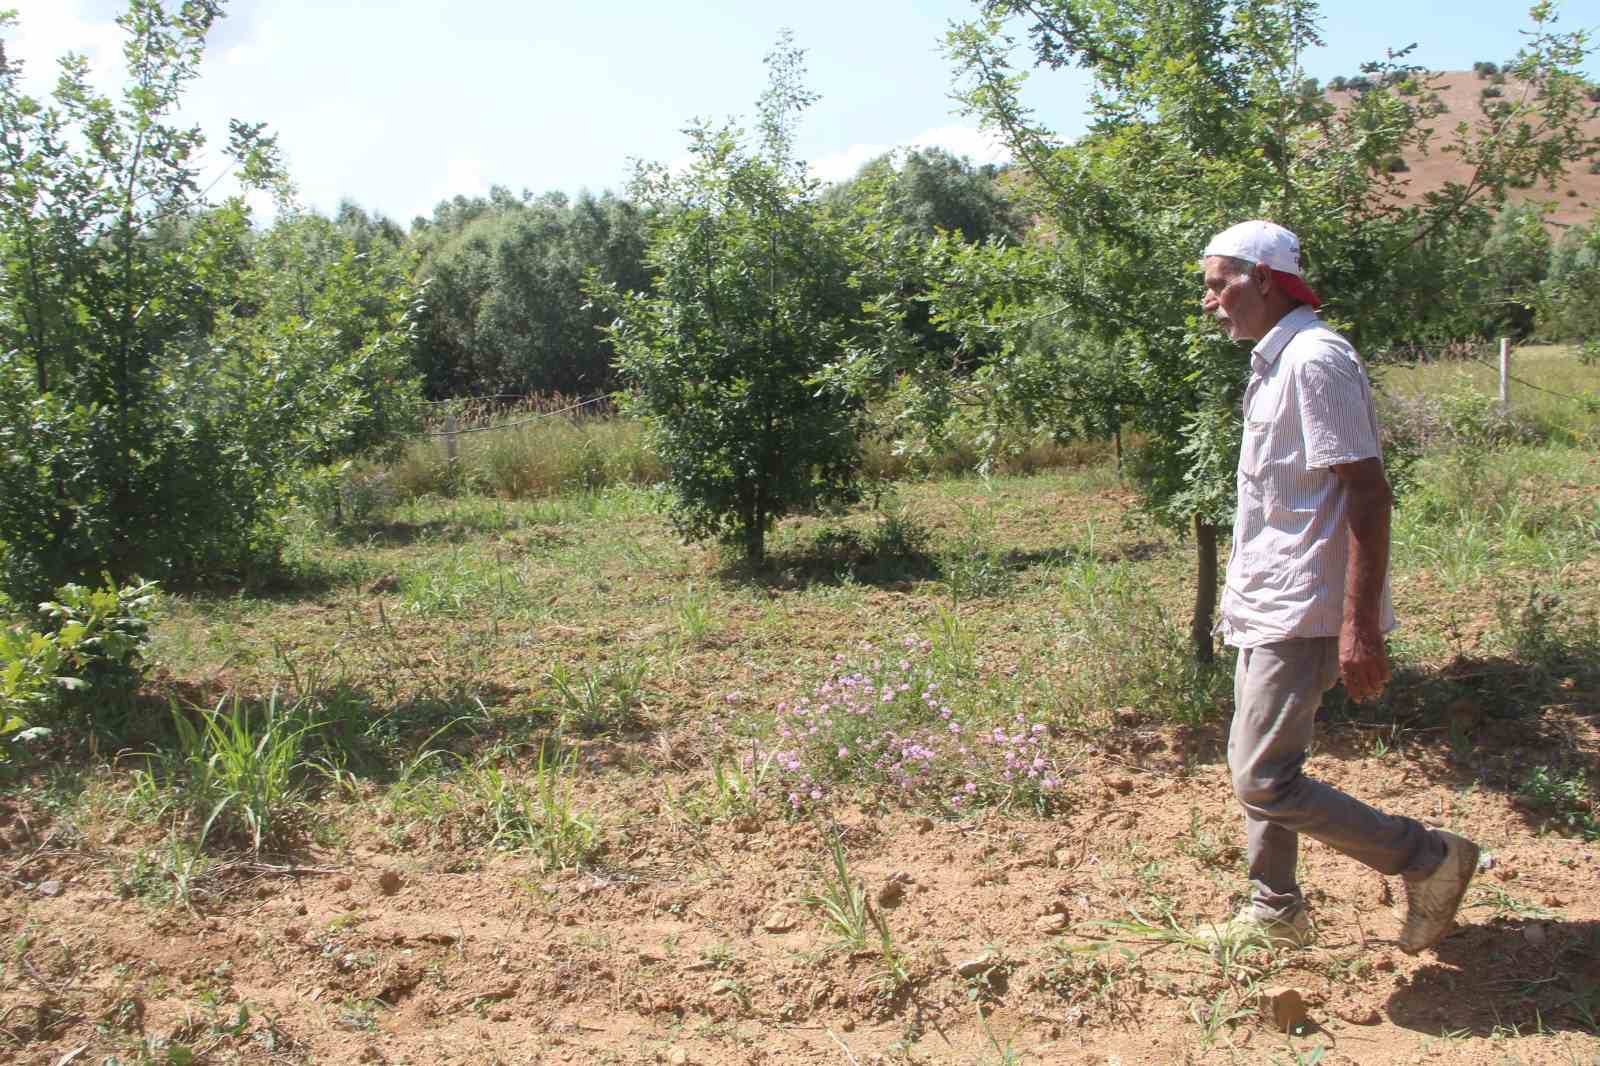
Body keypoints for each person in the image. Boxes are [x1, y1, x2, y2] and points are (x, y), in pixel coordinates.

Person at [1198, 220, 1478, 954]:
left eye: (1218, 281)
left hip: (1305, 604)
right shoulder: (1273, 363)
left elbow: (1366, 491)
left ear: (1263, 278)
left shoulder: (1315, 360)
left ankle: (1428, 859)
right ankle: (1275, 907)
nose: (1208, 300)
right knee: (1257, 761)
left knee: (1262, 777)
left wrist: (1360, 625)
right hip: (1268, 597)